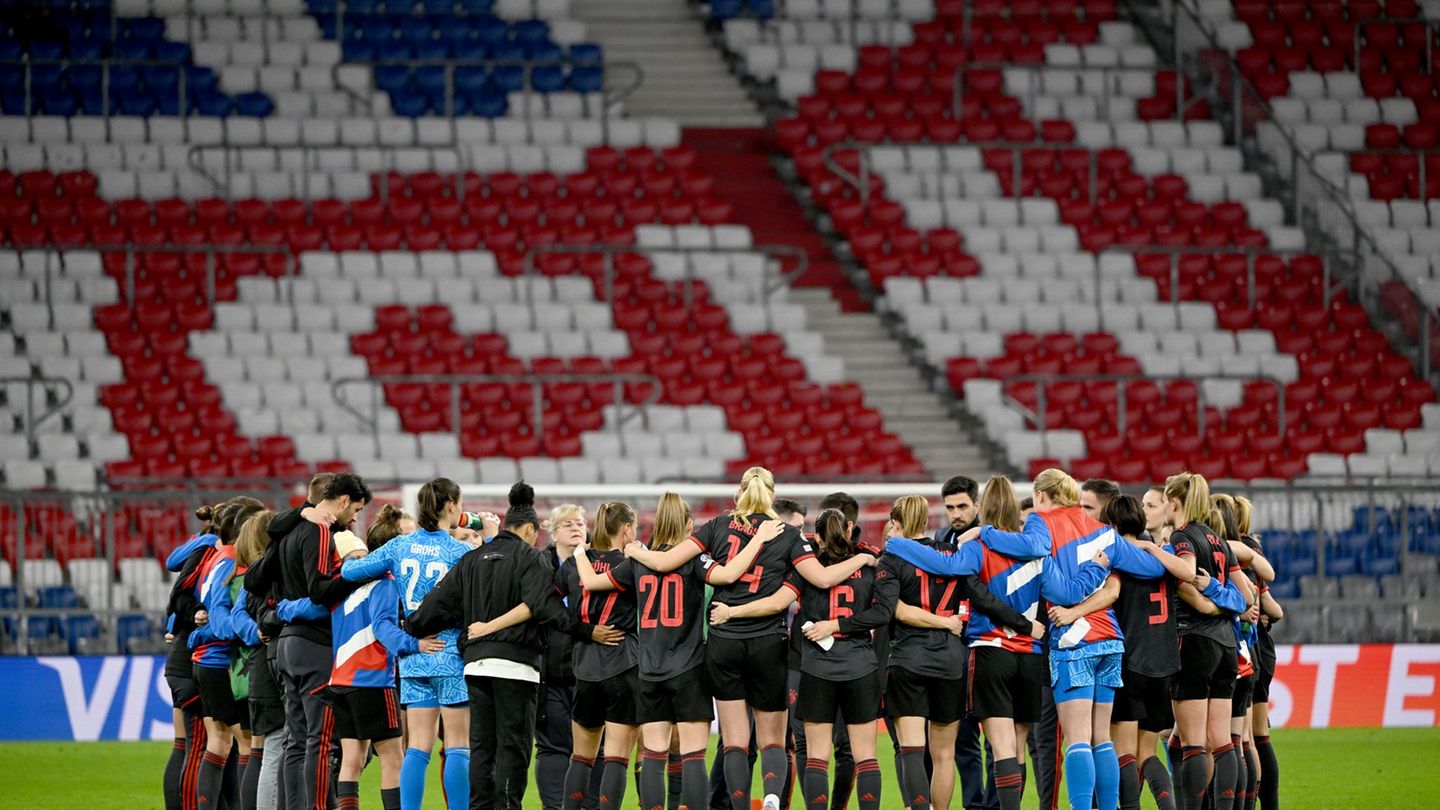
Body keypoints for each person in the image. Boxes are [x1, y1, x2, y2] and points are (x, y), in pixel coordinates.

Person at [621, 467, 876, 810]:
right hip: (768, 642)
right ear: (771, 495)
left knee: (735, 743)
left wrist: (635, 551)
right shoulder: (788, 535)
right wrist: (863, 557)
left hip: (723, 642)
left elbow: (667, 561)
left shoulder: (716, 526)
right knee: (773, 740)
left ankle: (739, 805)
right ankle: (772, 798)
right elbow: (824, 578)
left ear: (739, 494)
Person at [883, 476, 1106, 810]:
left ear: (982, 508)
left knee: (999, 747)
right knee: (1018, 747)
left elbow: (948, 565)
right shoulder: (1037, 552)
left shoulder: (977, 546)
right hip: (1030, 657)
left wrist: (894, 544)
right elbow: (1067, 594)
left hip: (990, 652)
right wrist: (1096, 570)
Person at [408, 482, 623, 810]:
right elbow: (547, 609)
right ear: (530, 530)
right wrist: (588, 631)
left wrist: (413, 627)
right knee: (513, 748)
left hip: (476, 667)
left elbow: (433, 609)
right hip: (517, 668)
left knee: (482, 748)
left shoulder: (471, 560)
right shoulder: (531, 559)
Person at [573, 493, 781, 810]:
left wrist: (577, 554)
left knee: (654, 755)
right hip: (689, 668)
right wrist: (760, 539)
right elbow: (728, 574)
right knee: (694, 755)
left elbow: (590, 581)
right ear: (688, 526)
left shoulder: (638, 562)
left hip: (649, 669)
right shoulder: (695, 559)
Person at [880, 493, 1031, 810]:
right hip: (950, 662)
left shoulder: (892, 559)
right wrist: (1024, 624)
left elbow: (894, 610)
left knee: (911, 749)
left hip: (908, 659)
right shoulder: (954, 555)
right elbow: (982, 597)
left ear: (895, 523)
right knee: (945, 753)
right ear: (927, 521)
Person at [339, 480, 482, 810]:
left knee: (417, 747)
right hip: (448, 655)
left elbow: (350, 571)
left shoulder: (399, 547)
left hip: (414, 656)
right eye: (459, 503)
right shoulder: (460, 553)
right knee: (458, 745)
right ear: (450, 507)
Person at [251, 473, 372, 810]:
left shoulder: (288, 531)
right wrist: (356, 576)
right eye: (357, 509)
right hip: (315, 646)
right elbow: (320, 591)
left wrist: (284, 610)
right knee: (318, 742)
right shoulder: (320, 531)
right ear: (344, 501)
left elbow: (255, 580)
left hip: (287, 647)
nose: (355, 518)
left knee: (296, 740)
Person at [1154, 473, 1251, 810]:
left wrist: (1153, 551)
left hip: (1194, 640)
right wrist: (1218, 596)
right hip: (1227, 646)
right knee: (1223, 742)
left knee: (1193, 742)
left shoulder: (1182, 536)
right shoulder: (1219, 540)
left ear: (1174, 502)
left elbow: (1185, 569)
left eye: (1165, 500)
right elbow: (1248, 596)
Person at [556, 502, 643, 809]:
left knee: (581, 757)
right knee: (617, 756)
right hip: (624, 664)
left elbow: (548, 605)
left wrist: (582, 628)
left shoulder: (574, 565)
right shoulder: (633, 562)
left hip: (584, 669)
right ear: (627, 529)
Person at [188, 498, 265, 808]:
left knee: (219, 743)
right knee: (247, 746)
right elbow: (223, 621)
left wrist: (195, 631)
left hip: (206, 659)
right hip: (224, 661)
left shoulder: (216, 557)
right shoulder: (232, 560)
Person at [1109, 491, 1180, 810]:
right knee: (1147, 752)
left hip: (1131, 662)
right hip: (1164, 663)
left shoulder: (1115, 556)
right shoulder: (1166, 559)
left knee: (1123, 751)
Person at [937, 475, 1001, 810]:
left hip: (988, 644)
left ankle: (992, 805)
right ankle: (974, 804)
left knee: (994, 738)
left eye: (962, 506)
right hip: (955, 649)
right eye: (950, 507)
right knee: (962, 738)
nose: (956, 513)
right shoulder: (942, 537)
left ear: (977, 505)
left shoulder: (991, 539)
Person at [534, 504, 598, 810]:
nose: (576, 527)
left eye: (581, 523)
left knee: (594, 749)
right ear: (553, 531)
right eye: (568, 523)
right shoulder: (539, 565)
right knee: (552, 748)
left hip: (592, 670)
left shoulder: (599, 562)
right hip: (550, 670)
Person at [163, 502, 223, 810]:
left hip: (183, 655)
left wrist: (173, 624)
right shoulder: (209, 549)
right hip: (192, 659)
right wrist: (193, 614)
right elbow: (181, 596)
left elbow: (179, 589)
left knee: (186, 743)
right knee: (198, 745)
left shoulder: (200, 548)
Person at [233, 510, 281, 810]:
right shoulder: (269, 574)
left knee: (259, 748)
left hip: (253, 667)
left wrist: (253, 631)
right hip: (268, 666)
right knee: (271, 747)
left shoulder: (250, 576)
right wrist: (260, 630)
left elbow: (235, 615)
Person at [1235, 497, 1282, 810]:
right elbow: (1274, 610)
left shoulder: (1238, 552)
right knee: (1257, 733)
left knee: (1247, 736)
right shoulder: (1253, 550)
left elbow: (1266, 606)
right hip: (1262, 647)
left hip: (1249, 647)